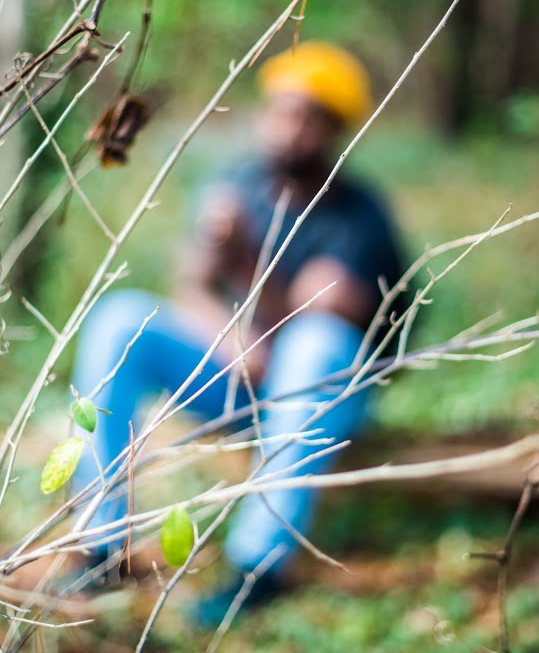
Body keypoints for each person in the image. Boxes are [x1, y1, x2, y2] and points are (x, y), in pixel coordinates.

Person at [65, 41, 408, 626]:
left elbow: (304, 323)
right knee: (119, 317)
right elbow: (192, 285)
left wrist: (243, 259)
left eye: (306, 117)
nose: (288, 127)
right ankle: (99, 546)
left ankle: (258, 568)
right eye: (280, 110)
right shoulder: (238, 185)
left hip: (323, 401)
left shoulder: (358, 216)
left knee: (315, 343)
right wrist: (228, 337)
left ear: (333, 130)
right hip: (242, 384)